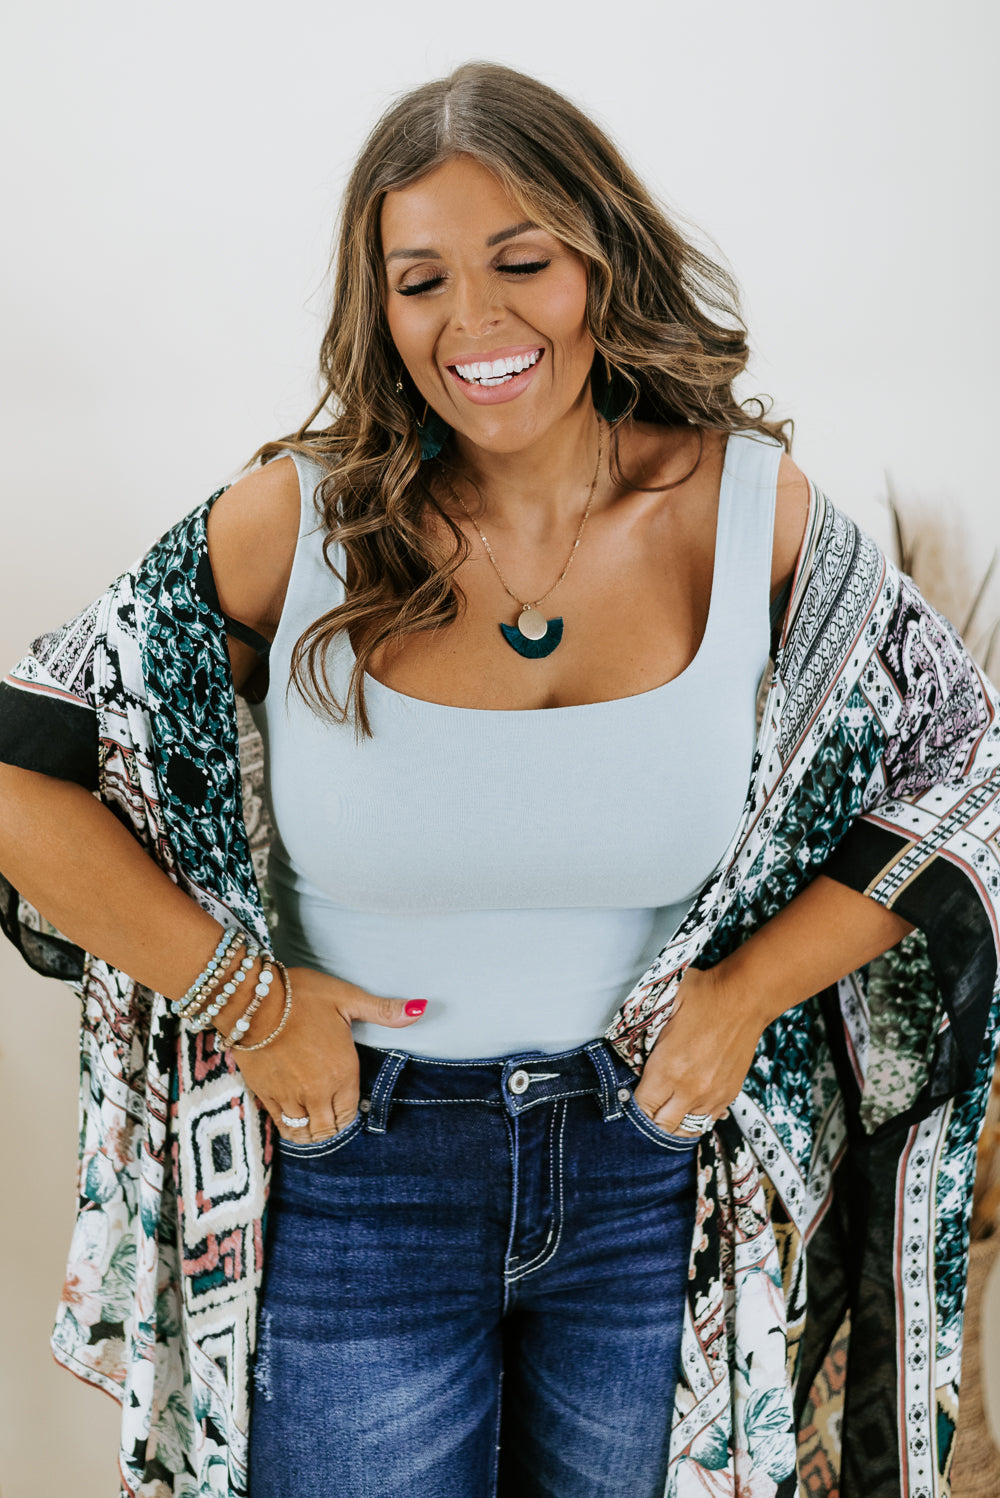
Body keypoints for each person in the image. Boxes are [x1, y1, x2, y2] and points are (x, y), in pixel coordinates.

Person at [0, 60, 998, 1498]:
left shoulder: (746, 512)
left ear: (601, 260)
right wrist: (246, 999)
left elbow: (964, 762)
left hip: (655, 1175)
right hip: (360, 1168)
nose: (472, 321)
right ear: (381, 306)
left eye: (520, 262)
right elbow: (24, 771)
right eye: (421, 281)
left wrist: (742, 997)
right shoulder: (300, 522)